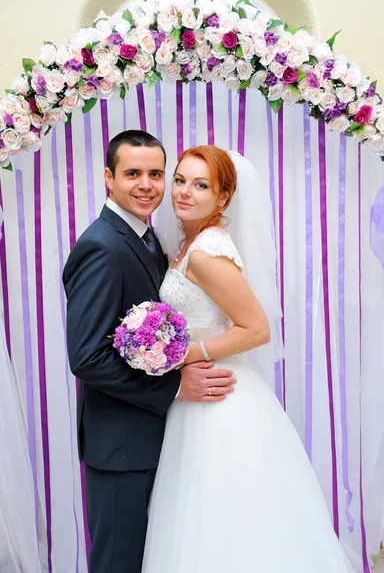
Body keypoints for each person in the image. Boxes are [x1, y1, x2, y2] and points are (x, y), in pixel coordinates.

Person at [142, 145, 355, 572]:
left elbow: (256, 329)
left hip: (221, 399)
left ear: (223, 197)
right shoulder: (193, 242)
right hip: (199, 397)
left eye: (200, 185)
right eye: (180, 180)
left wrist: (187, 355)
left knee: (226, 514)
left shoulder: (206, 251)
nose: (183, 192)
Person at [62, 131, 236, 573]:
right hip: (119, 444)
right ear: (108, 177)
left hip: (152, 437)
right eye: (132, 173)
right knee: (119, 560)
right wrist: (176, 385)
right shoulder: (101, 246)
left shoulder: (145, 237)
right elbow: (86, 357)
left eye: (156, 174)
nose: (147, 185)